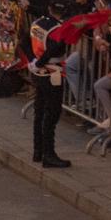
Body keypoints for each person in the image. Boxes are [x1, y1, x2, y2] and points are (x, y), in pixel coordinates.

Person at [27, 14, 72, 168]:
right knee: (51, 113)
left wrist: (33, 61)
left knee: (39, 112)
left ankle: (37, 151)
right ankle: (49, 154)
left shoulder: (37, 22)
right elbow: (56, 48)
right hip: (52, 74)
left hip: (38, 73)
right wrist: (39, 62)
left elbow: (23, 41)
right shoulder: (57, 29)